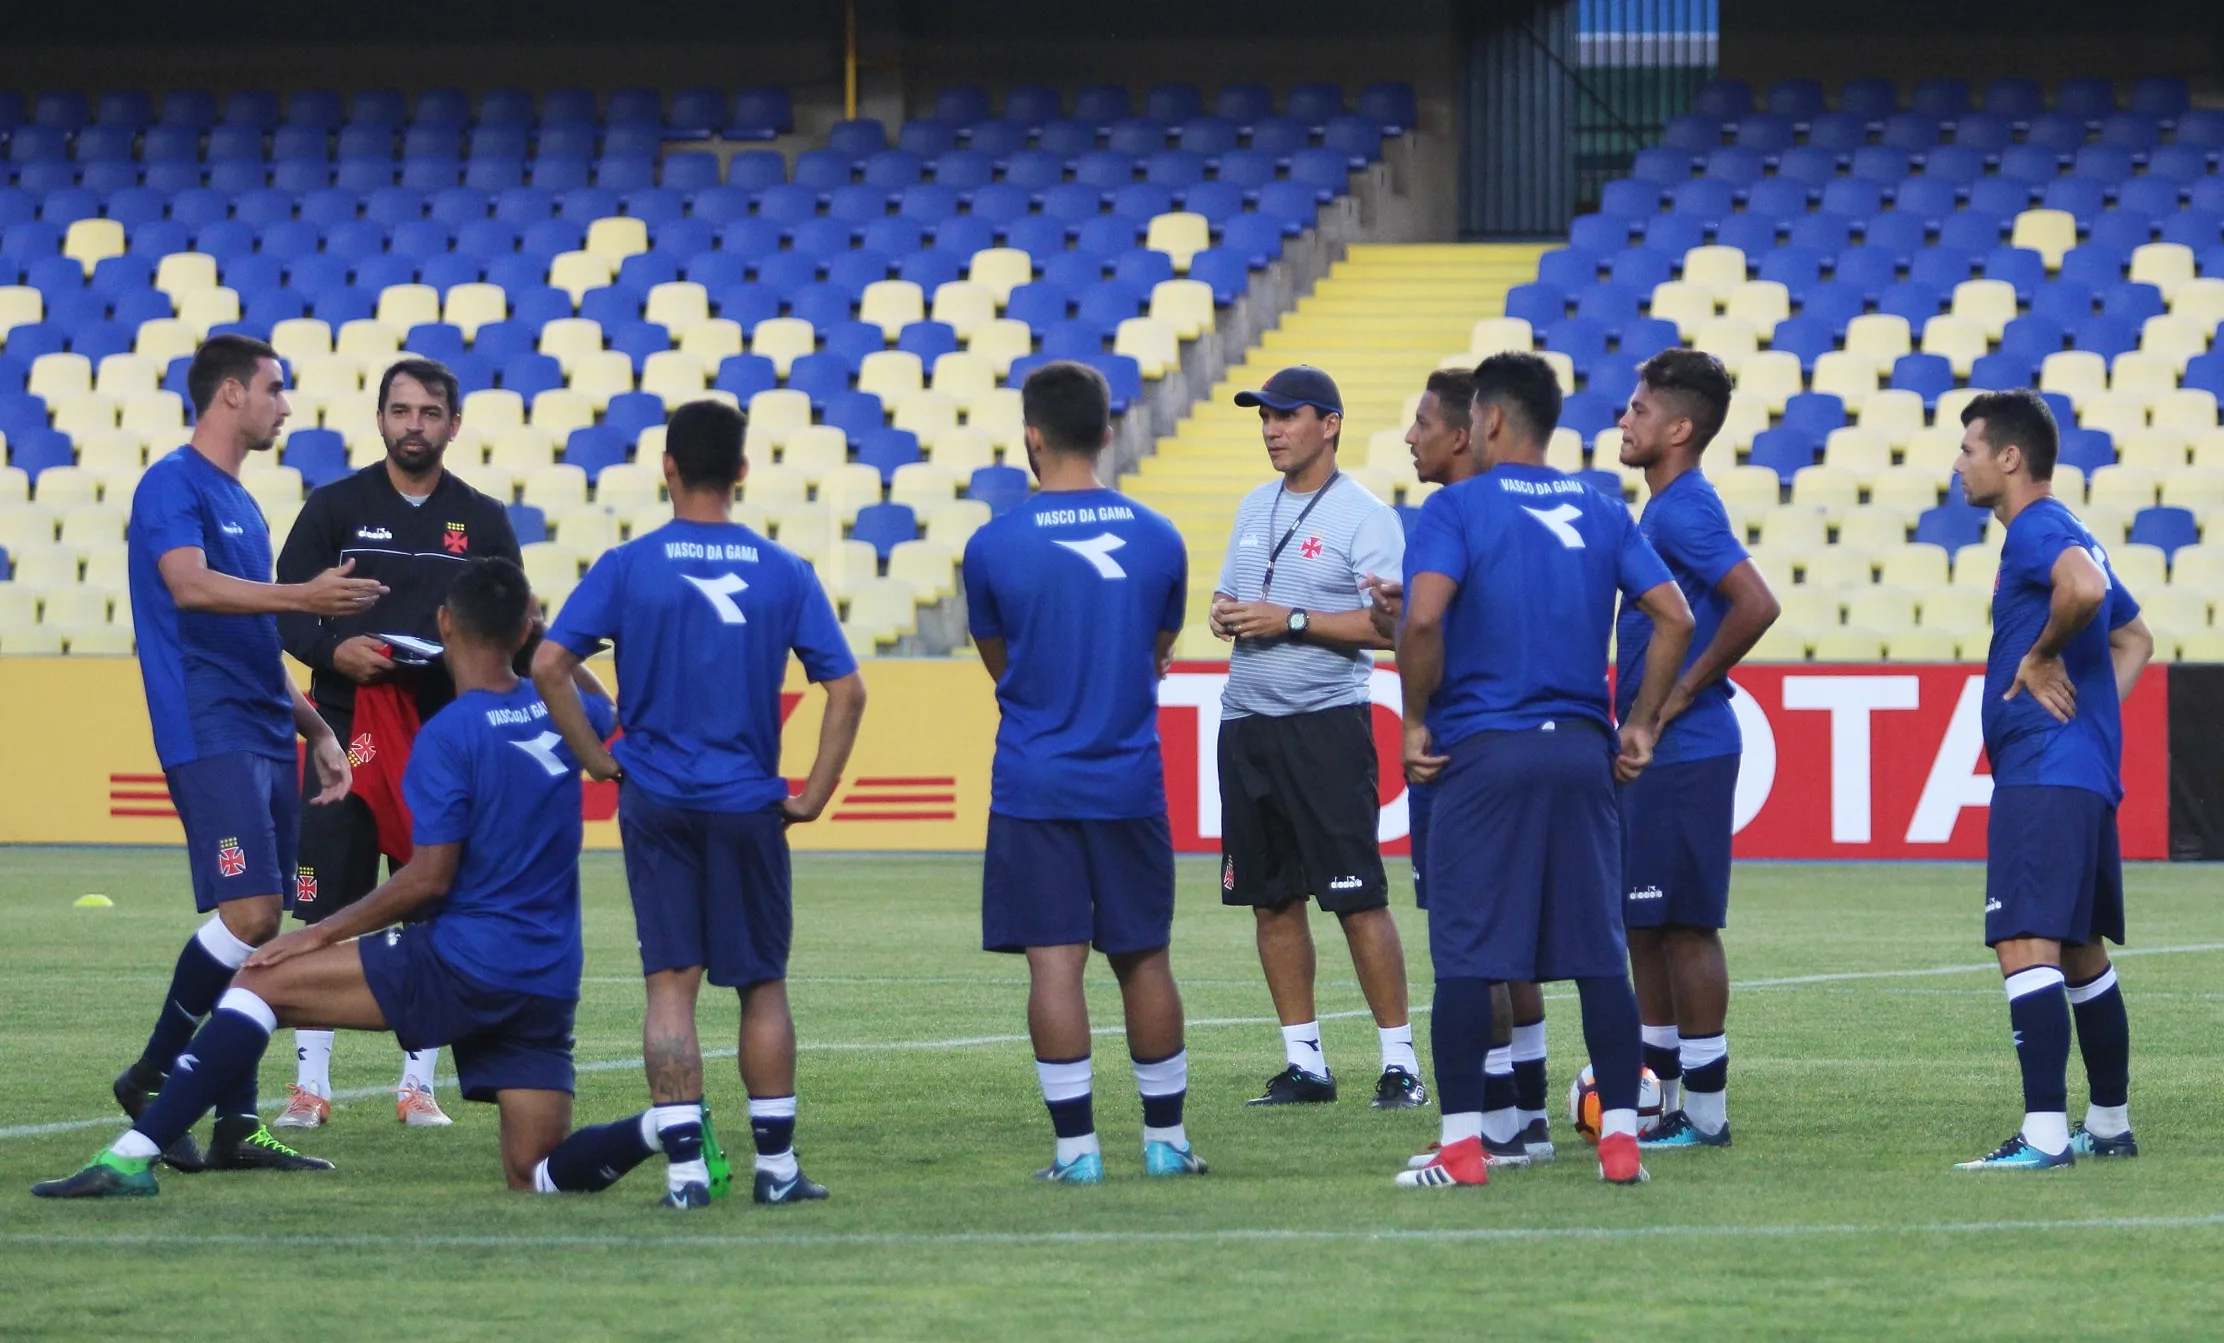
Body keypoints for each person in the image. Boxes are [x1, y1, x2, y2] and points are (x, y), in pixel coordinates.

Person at [34, 559, 680, 1202]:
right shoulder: (558, 716)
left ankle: (130, 1158)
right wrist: (539, 642)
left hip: (466, 962)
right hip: (545, 975)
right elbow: (606, 706)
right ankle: (666, 1124)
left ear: (445, 623)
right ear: (524, 631)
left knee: (259, 979)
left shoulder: (448, 735)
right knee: (533, 1171)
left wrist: (318, 937)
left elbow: (428, 878)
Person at [534, 399, 866, 1208]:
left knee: (671, 984)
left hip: (658, 798)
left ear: (668, 469)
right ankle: (777, 1170)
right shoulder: (784, 570)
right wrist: (813, 795)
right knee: (761, 984)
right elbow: (847, 689)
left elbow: (548, 663)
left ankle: (686, 1173)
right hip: (747, 801)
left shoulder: (628, 565)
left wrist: (595, 760)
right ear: (743, 472)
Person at [1394, 352, 1693, 1190]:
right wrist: (1640, 724)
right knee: (1600, 955)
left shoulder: (1455, 506)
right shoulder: (1601, 509)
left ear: (1487, 421)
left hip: (1486, 751)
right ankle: (1622, 1143)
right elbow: (1674, 615)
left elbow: (1423, 618)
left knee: (1466, 957)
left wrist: (1416, 718)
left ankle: (1462, 1151)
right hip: (1581, 750)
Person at [108, 334, 387, 1176]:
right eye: (275, 389)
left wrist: (318, 729)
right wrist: (306, 595)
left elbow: (260, 637)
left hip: (266, 727)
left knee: (268, 932)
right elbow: (189, 586)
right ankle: (156, 1070)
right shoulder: (171, 484)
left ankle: (237, 1121)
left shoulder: (242, 501)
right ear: (230, 393)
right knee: (255, 917)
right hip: (210, 727)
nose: (285, 406)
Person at [961, 360, 1205, 1183]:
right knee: (1145, 956)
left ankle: (1077, 1153)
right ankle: (1167, 1142)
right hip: (1129, 779)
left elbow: (1000, 663)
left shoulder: (991, 546)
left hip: (1035, 782)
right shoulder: (1159, 536)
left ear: (1030, 434)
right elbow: (1157, 649)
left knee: (1054, 962)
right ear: (1108, 433)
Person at [273, 356, 520, 1131]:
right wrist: (331, 652)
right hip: (340, 736)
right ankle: (309, 1085)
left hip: (445, 739)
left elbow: (509, 620)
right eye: (401, 410)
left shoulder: (481, 519)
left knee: (434, 904)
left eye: (430, 412)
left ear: (453, 423)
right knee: (326, 908)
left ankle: (418, 1084)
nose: (415, 425)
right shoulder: (336, 506)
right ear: (379, 418)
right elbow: (283, 610)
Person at [1208, 365, 1421, 1110]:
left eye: (1285, 415)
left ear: (1327, 423)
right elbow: (1233, 591)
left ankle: (1400, 1062)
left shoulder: (1366, 516)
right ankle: (1306, 1063)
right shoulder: (1252, 505)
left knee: (1357, 897)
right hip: (1246, 724)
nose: (1270, 429)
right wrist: (1226, 611)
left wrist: (1289, 620)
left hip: (1326, 725)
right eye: (1263, 417)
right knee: (1271, 902)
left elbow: (1395, 628)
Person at [1950, 388, 2152, 1172]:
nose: (1957, 464)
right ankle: (2107, 1122)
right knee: (2078, 949)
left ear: (2010, 457)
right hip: (2081, 768)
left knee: (2024, 937)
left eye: (1968, 448)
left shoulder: (2037, 528)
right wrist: (2092, 716)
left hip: (2043, 768)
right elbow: (2136, 635)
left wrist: (2038, 659)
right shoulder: (2074, 531)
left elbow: (2089, 595)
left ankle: (2042, 1132)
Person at [1366, 371, 1556, 1166]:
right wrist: (1396, 622)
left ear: (1465, 432)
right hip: (1527, 745)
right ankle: (1526, 1116)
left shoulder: (1454, 515)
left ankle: (1494, 1125)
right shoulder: (1523, 517)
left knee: (1472, 946)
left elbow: (1444, 636)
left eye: (1421, 423)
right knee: (1511, 945)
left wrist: (1404, 629)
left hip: (1461, 754)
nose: (1410, 437)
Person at [1612, 350, 1780, 1151]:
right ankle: (1662, 1098)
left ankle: (1705, 1112)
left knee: (1683, 928)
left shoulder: (1683, 510)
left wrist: (1677, 695)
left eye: (1640, 409)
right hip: (1661, 750)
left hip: (1689, 744)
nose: (1624, 417)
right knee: (1646, 924)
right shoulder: (1665, 508)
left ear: (1679, 428)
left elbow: (1756, 602)